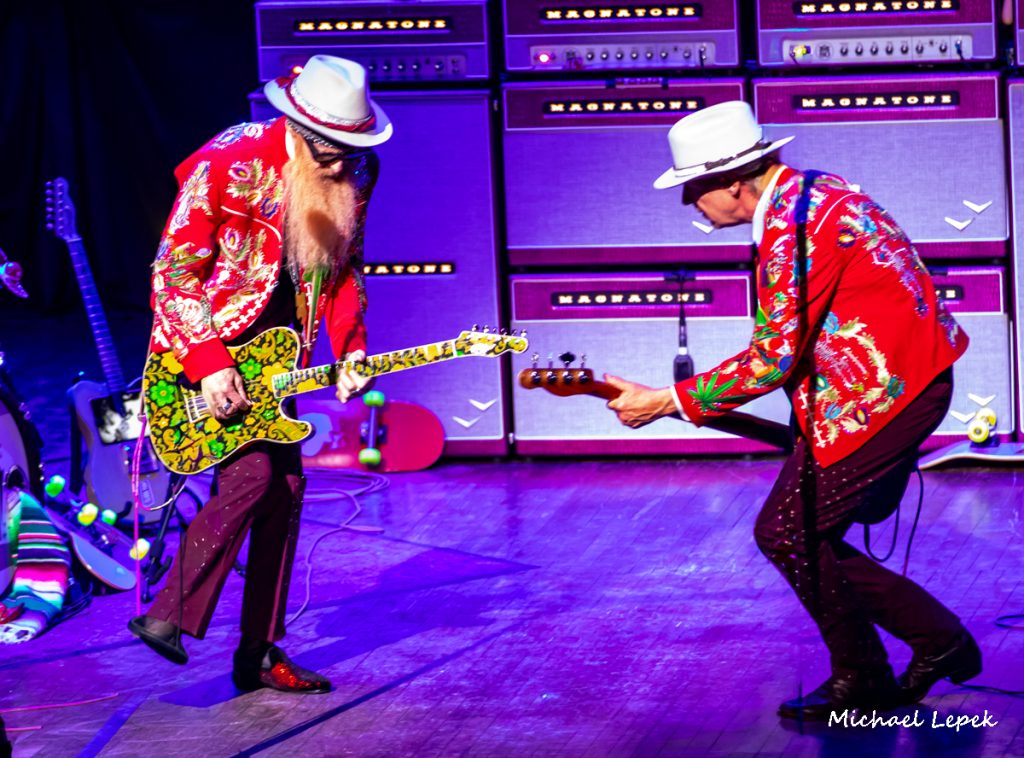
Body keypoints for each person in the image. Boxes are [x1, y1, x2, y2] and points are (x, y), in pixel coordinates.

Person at [605, 101, 981, 720]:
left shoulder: (792, 231)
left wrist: (669, 399)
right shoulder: (810, 191)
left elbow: (773, 359)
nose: (688, 202)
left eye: (693, 187)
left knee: (788, 532)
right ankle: (933, 642)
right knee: (801, 533)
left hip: (888, 394)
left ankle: (871, 675)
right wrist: (680, 404)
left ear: (732, 182)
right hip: (884, 383)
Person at [128, 55, 391, 694]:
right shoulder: (229, 159)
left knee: (286, 490)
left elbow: (345, 269)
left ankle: (259, 652)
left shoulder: (357, 169)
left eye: (350, 150)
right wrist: (209, 363)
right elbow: (173, 272)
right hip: (207, 346)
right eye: (329, 150)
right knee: (253, 477)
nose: (340, 165)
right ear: (297, 127)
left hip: (284, 349)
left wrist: (351, 348)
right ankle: (167, 614)